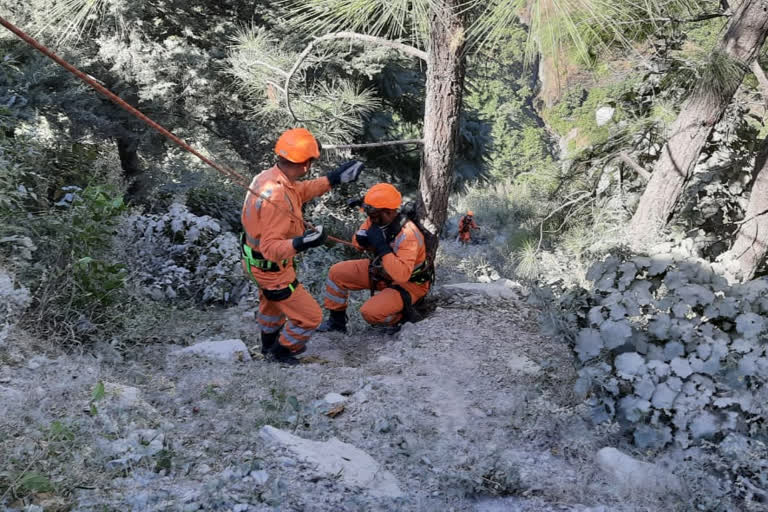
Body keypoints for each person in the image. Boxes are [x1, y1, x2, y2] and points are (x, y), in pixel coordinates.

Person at [241, 127, 363, 364]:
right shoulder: (276, 195)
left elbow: (300, 191)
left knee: (272, 306)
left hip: (258, 265)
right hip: (271, 268)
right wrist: (304, 242)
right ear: (306, 164)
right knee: (310, 316)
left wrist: (334, 178)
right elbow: (271, 249)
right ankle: (281, 352)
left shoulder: (269, 177)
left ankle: (267, 345)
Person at [318, 183, 431, 333]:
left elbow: (401, 274)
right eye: (369, 215)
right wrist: (362, 240)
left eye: (374, 215)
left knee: (371, 313)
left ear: (389, 212)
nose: (370, 219)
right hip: (382, 272)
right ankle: (336, 322)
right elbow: (357, 240)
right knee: (336, 273)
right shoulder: (376, 219)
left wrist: (382, 247)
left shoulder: (408, 235)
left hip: (410, 283)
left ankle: (403, 317)